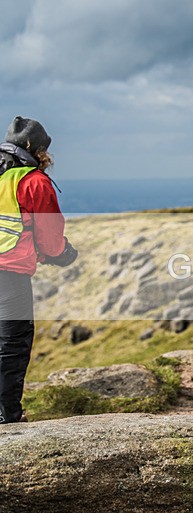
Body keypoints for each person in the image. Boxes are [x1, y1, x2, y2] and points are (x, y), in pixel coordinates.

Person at [0, 116, 77, 424]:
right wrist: (63, 254)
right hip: (9, 275)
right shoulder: (33, 181)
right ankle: (7, 414)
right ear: (35, 149)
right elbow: (51, 239)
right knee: (10, 345)